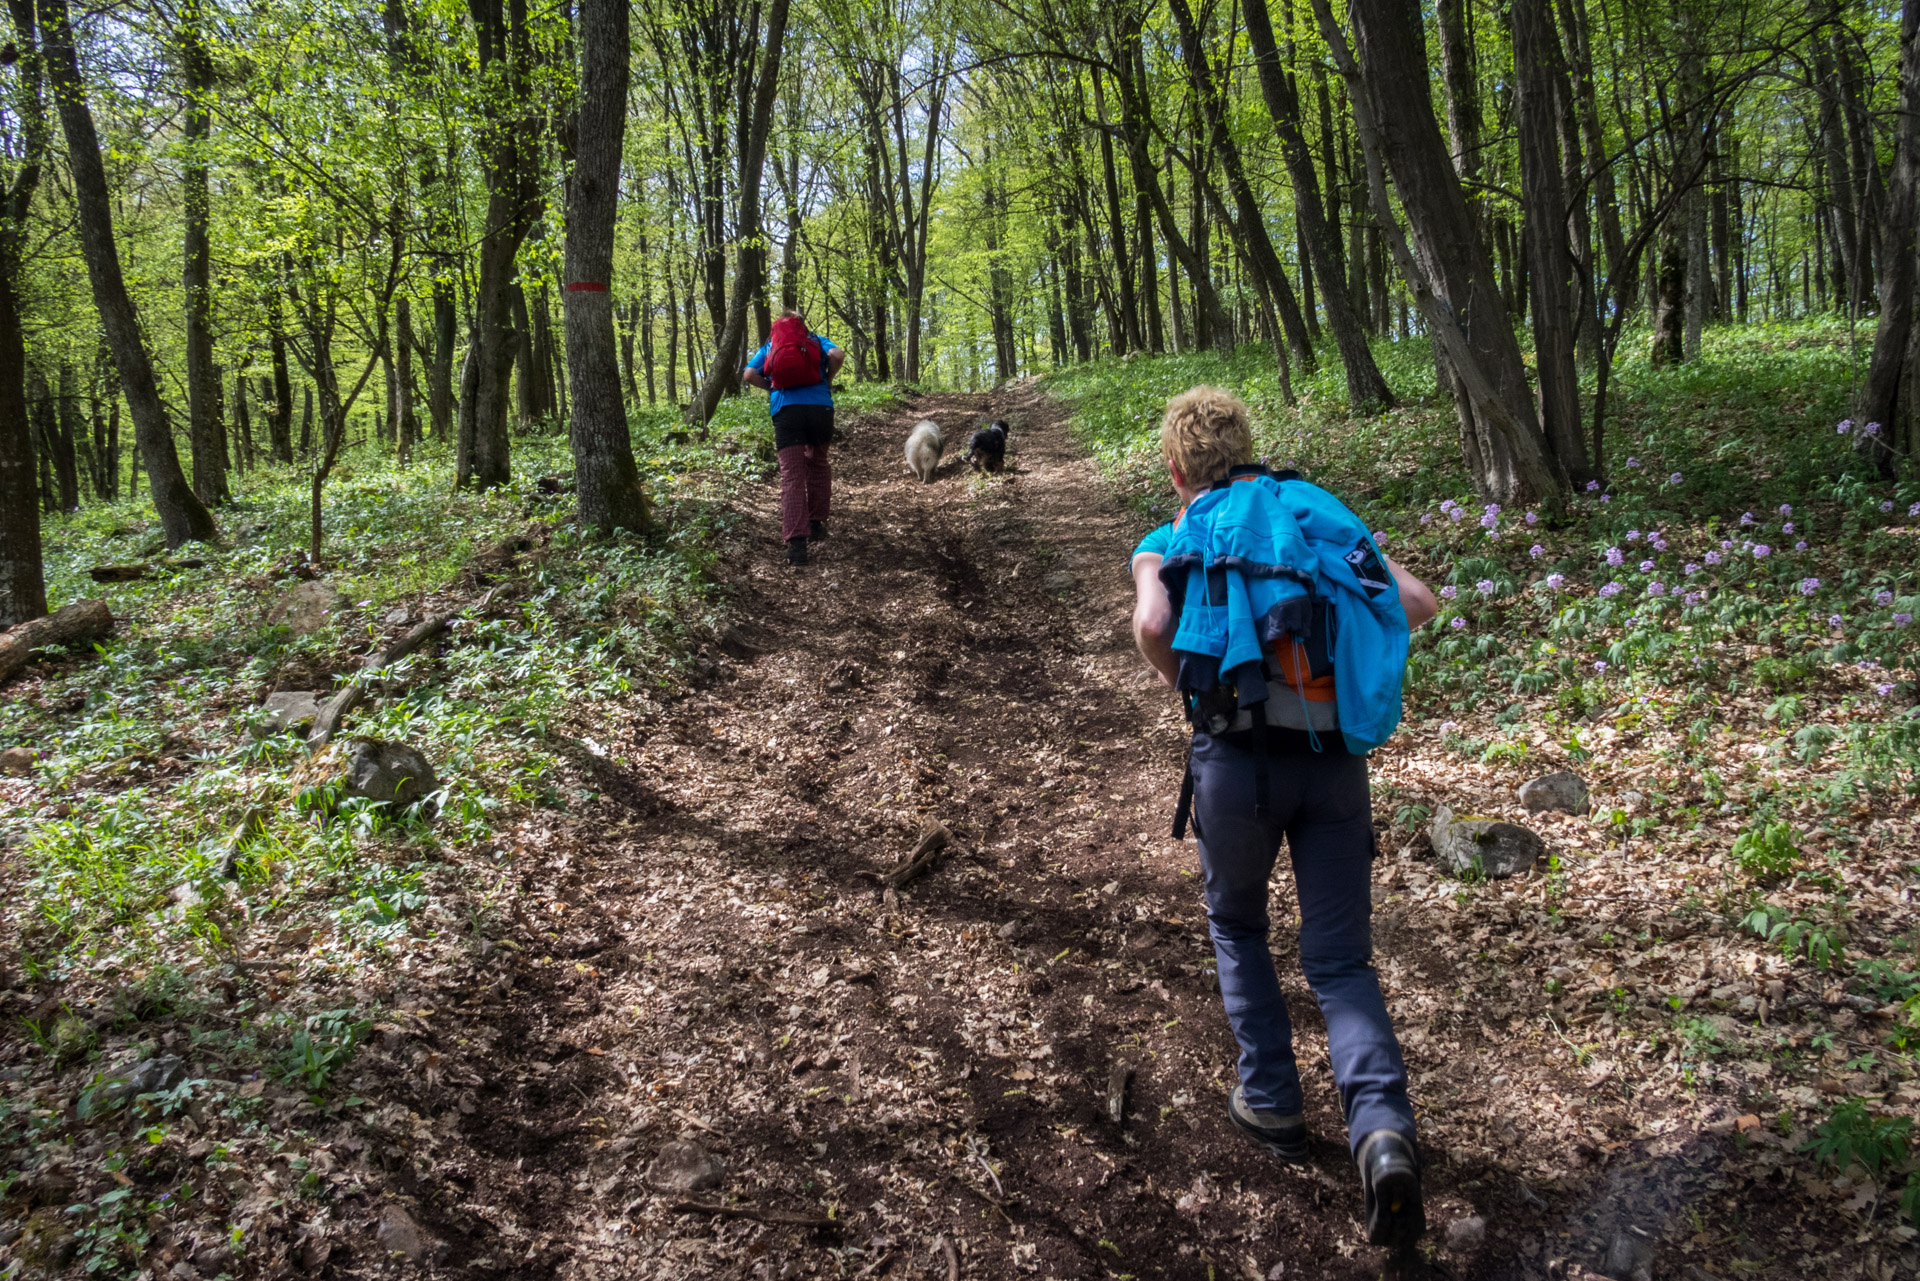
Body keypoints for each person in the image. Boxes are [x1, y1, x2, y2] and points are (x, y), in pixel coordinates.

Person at [1128, 387, 1439, 1249]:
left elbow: (1155, 622)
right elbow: (1414, 601)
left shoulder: (1175, 535)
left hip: (1233, 759)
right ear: (1251, 445)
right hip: (1336, 765)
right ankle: (1381, 1131)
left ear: (1176, 466)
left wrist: (1188, 692)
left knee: (1237, 923)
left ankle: (1269, 1099)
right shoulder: (1314, 508)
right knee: (1340, 959)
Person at [743, 311, 846, 565]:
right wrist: (827, 379)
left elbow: (748, 374)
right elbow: (837, 355)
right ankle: (816, 523)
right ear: (802, 325)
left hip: (786, 411)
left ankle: (797, 546)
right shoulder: (816, 340)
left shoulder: (771, 345)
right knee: (818, 463)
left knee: (792, 475)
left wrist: (772, 387)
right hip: (820, 408)